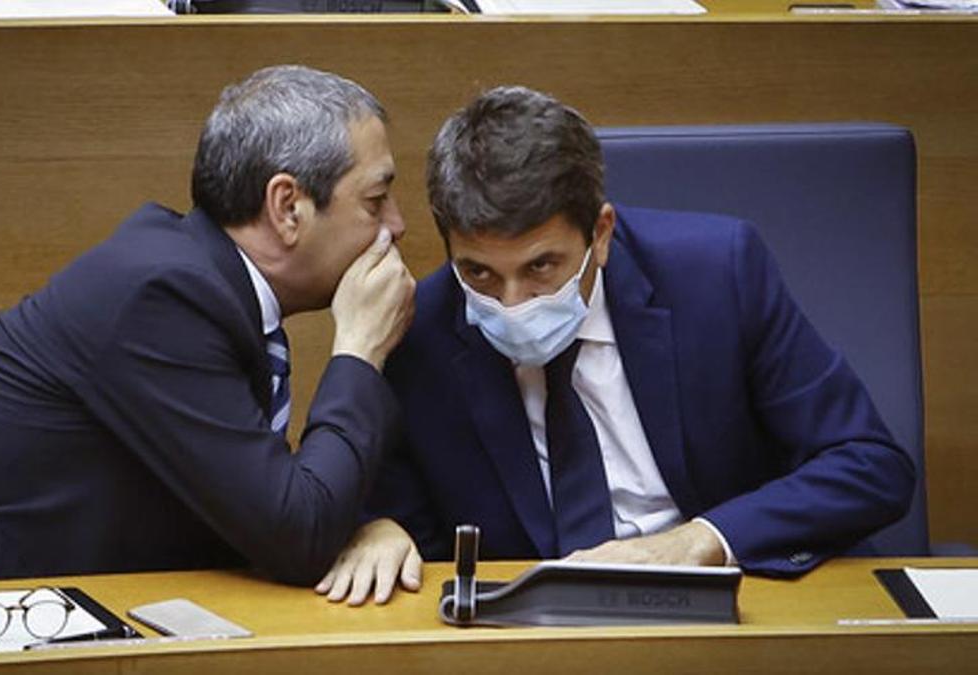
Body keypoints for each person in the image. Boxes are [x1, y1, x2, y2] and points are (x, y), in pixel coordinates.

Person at [315, 85, 916, 606]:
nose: (513, 301)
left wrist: (701, 540)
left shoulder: (717, 275)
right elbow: (372, 504)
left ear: (600, 234)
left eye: (542, 266)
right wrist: (375, 525)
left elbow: (868, 465)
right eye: (479, 273)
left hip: (728, 608)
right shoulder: (423, 331)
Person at [0, 65, 415, 589]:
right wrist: (359, 351)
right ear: (287, 207)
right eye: (376, 199)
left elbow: (255, 502)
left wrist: (368, 526)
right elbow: (297, 532)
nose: (398, 225)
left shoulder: (201, 282)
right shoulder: (160, 297)